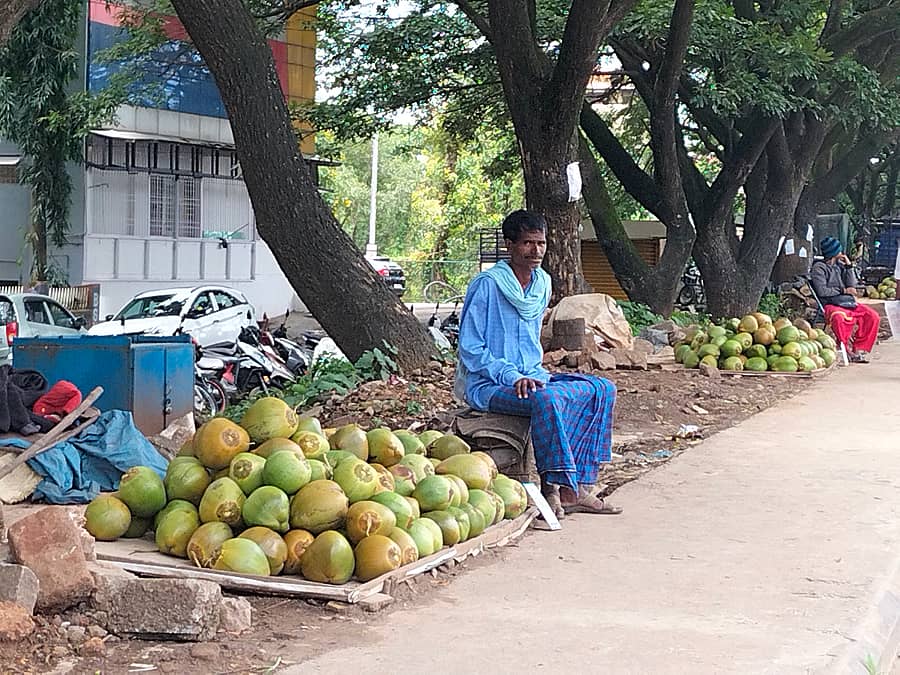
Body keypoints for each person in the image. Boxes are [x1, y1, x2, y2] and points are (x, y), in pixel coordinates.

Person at [455, 210, 621, 519]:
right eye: (528, 243)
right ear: (509, 245)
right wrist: (511, 375)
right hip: (489, 386)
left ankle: (579, 485)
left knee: (602, 388)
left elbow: (531, 342)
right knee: (547, 400)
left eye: (541, 243)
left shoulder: (542, 283)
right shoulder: (487, 285)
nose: (537, 251)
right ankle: (554, 488)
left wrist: (529, 374)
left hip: (533, 376)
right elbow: (471, 349)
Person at [810, 236, 879, 363]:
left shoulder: (840, 266)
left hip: (847, 302)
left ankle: (858, 347)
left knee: (873, 316)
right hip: (831, 304)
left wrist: (848, 267)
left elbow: (852, 284)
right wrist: (843, 291)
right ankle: (846, 349)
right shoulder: (819, 268)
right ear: (834, 252)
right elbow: (822, 291)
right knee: (839, 318)